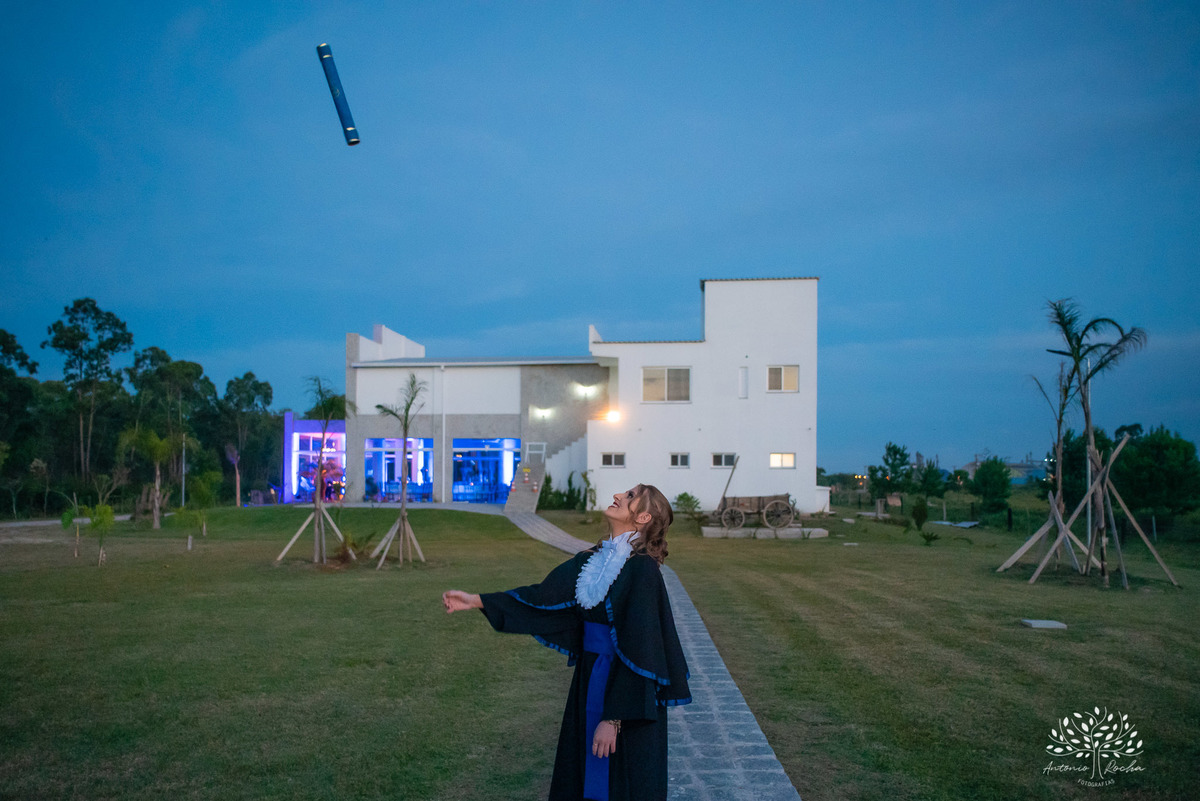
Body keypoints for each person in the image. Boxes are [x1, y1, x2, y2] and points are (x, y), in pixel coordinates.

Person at [442, 483, 691, 801]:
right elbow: (542, 598)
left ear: (642, 517)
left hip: (627, 702)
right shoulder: (593, 560)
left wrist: (613, 718)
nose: (617, 495)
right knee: (580, 775)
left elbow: (643, 652)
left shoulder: (642, 571)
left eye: (629, 497)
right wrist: (478, 600)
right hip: (590, 682)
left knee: (621, 782)